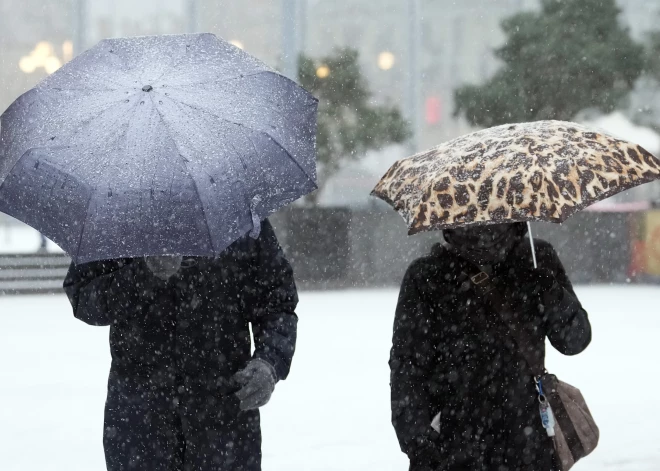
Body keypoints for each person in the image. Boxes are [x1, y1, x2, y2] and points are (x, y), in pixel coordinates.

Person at [64, 219, 297, 471]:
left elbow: (277, 304)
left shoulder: (240, 219)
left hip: (224, 418)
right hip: (140, 422)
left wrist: (269, 362)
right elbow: (84, 297)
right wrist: (143, 274)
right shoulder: (120, 219)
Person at [390, 223, 592, 471]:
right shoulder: (428, 275)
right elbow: (408, 365)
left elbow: (574, 340)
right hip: (455, 444)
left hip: (527, 442)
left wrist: (551, 291)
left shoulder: (536, 259)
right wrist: (418, 442)